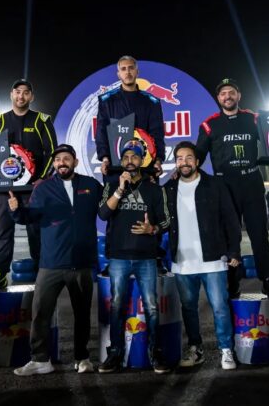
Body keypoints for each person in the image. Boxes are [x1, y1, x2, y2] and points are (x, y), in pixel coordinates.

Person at [8, 144, 102, 376]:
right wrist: (16, 210)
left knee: (82, 314)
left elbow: (109, 206)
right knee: (41, 312)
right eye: (58, 159)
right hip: (51, 263)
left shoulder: (91, 185)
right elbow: (29, 217)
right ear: (54, 164)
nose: (62, 163)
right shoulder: (44, 188)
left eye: (66, 158)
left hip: (81, 262)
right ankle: (41, 360)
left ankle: (82, 358)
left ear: (75, 162)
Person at [196, 78, 269, 300]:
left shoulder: (254, 119)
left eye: (231, 92)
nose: (227, 96)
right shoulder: (209, 125)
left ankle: (268, 281)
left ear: (238, 95)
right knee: (229, 239)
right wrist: (182, 169)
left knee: (259, 236)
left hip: (251, 184)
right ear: (218, 98)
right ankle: (232, 284)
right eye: (223, 93)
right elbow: (197, 156)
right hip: (225, 187)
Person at [163, 141, 241, 370]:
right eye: (179, 158)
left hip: (213, 259)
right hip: (182, 262)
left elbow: (231, 219)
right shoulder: (168, 189)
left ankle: (226, 350)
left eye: (189, 158)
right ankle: (195, 349)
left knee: (219, 307)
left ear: (197, 161)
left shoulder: (215, 185)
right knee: (188, 309)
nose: (184, 162)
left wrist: (233, 250)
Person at [97, 138, 171, 374]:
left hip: (146, 257)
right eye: (126, 157)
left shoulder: (154, 189)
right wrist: (120, 189)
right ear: (121, 161)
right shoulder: (111, 184)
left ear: (142, 160)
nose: (130, 161)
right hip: (118, 257)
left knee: (151, 306)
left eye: (135, 156)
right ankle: (115, 354)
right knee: (117, 305)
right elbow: (103, 213)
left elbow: (167, 221)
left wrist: (152, 229)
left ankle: (155, 353)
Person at [0, 79, 57, 292]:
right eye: (17, 92)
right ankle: (0, 275)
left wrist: (43, 178)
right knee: (3, 233)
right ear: (11, 95)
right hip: (4, 190)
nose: (21, 96)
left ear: (31, 96)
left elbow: (52, 151)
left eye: (25, 92)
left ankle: (43, 275)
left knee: (37, 233)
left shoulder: (41, 120)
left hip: (33, 190)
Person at [95, 55, 165, 179]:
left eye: (131, 68)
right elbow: (101, 132)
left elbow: (157, 133)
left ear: (137, 72)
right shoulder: (107, 101)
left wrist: (158, 160)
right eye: (123, 69)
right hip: (115, 167)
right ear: (118, 74)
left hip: (145, 166)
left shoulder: (151, 102)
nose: (127, 72)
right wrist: (105, 158)